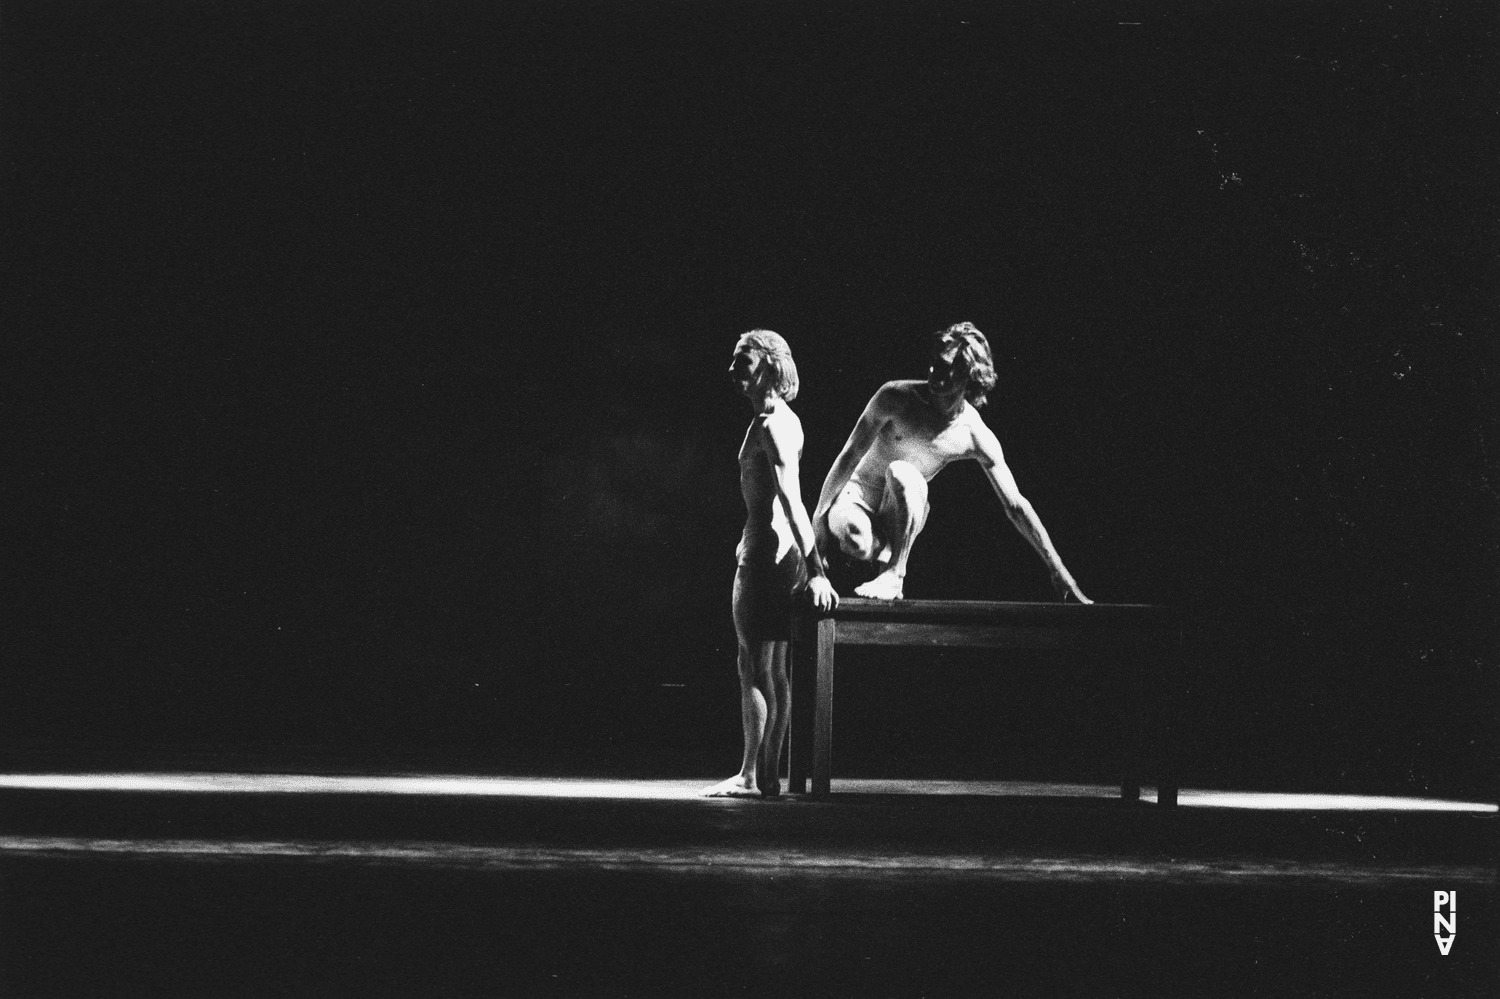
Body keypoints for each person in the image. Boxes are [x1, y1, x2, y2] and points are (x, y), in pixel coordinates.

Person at [813, 321, 1091, 603]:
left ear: (970, 376)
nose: (935, 372)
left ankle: (896, 572)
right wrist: (817, 525)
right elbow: (848, 457)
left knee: (902, 472)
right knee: (856, 540)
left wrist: (1059, 572)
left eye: (948, 368)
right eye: (935, 363)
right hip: (858, 494)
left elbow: (1016, 506)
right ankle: (885, 554)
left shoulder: (972, 433)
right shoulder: (895, 397)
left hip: (902, 504)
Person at [704, 330, 839, 798]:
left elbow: (792, 501)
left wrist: (818, 567)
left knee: (753, 665)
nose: (733, 369)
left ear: (770, 365)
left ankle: (752, 775)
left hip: (767, 557)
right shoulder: (784, 419)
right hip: (778, 555)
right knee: (771, 667)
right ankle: (766, 778)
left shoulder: (770, 426)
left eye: (743, 360)